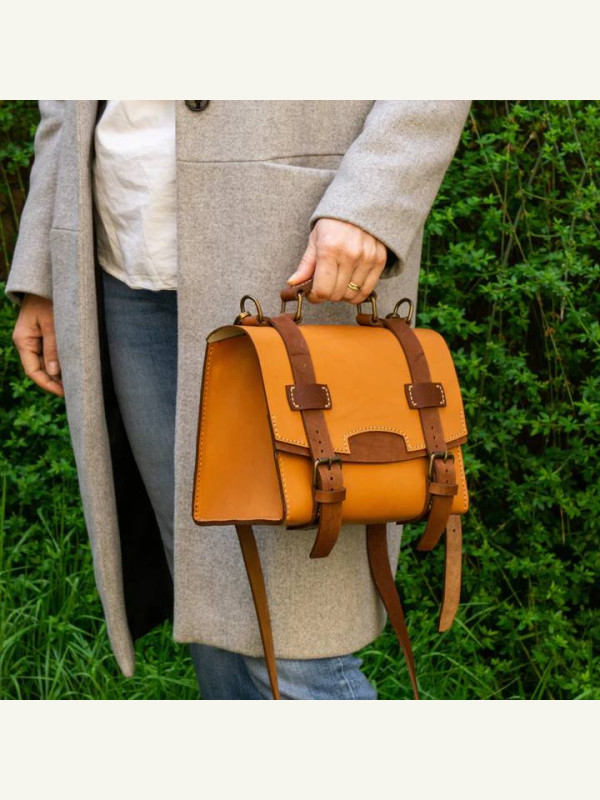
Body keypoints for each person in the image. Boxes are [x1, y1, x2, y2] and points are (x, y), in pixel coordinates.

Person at [7, 100, 471, 699]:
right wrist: (44, 269)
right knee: (212, 598)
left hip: (286, 240)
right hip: (124, 254)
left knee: (298, 651)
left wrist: (372, 201)